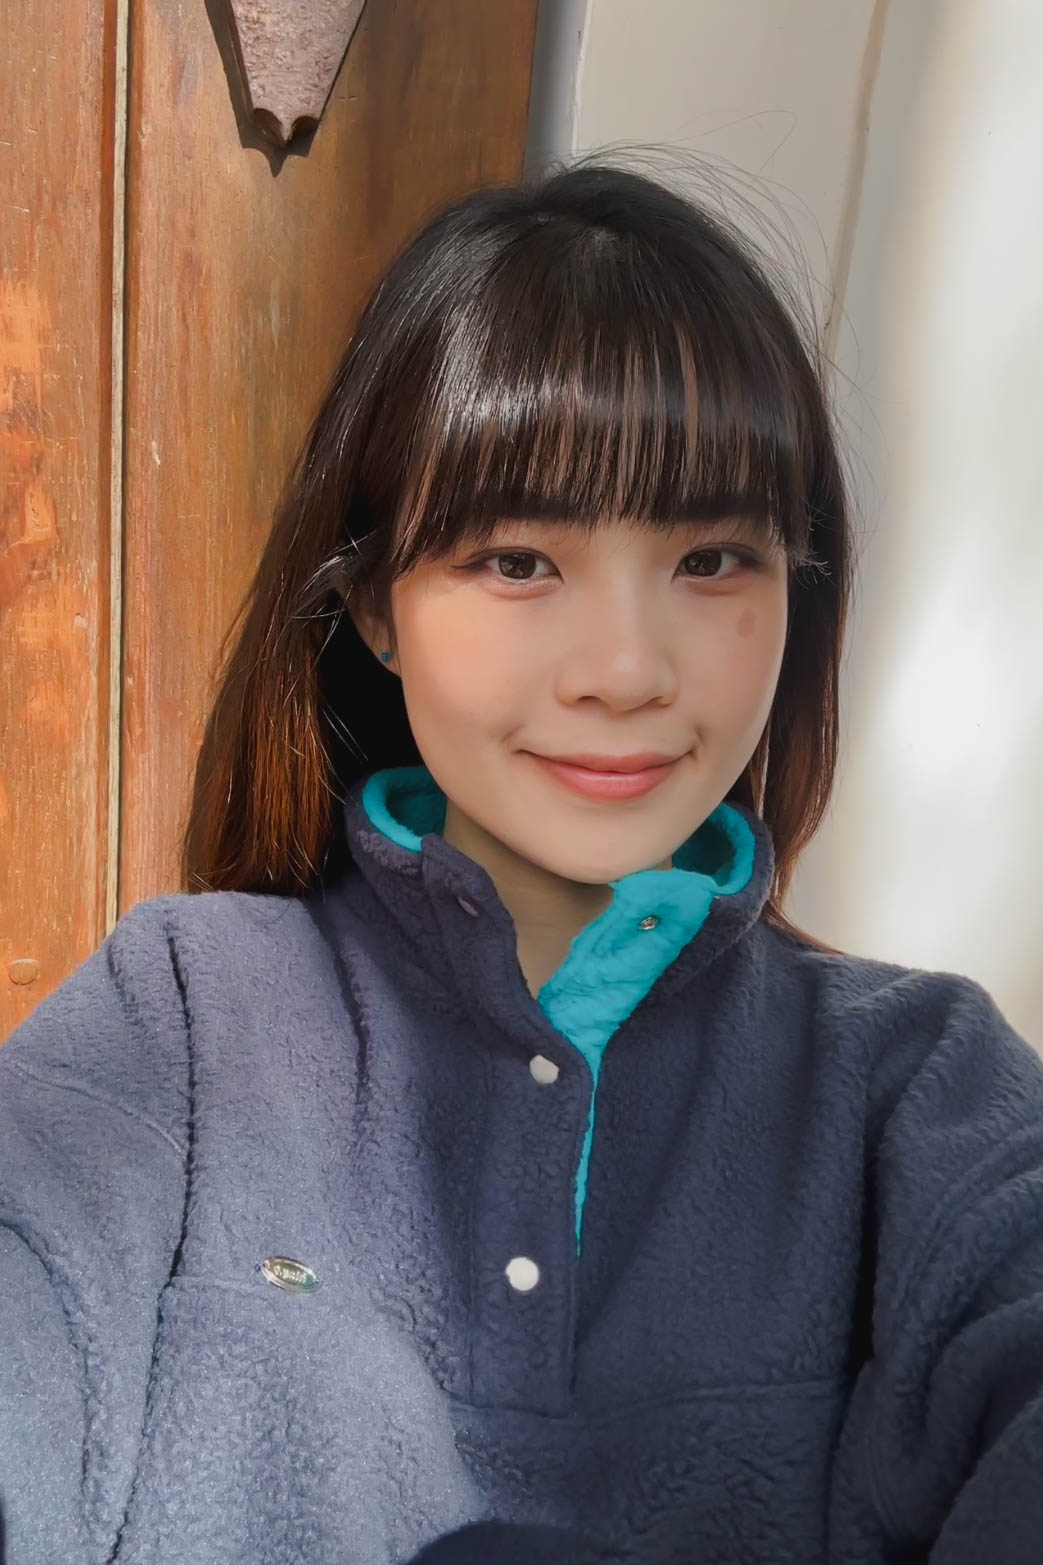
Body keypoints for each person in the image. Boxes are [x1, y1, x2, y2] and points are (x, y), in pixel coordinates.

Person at [2, 159, 1042, 1565]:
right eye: (516, 561)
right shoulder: (178, 1021)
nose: (624, 669)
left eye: (713, 559)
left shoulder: (920, 1090)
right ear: (373, 604)